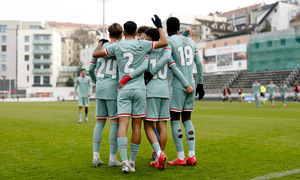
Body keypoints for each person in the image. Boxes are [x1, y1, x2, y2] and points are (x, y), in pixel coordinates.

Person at [93, 15, 168, 174]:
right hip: (139, 89)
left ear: (123, 32)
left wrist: (102, 44)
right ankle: (132, 162)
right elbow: (164, 42)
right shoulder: (142, 44)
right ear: (135, 32)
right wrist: (160, 26)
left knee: (122, 125)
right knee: (136, 127)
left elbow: (96, 55)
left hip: (123, 89)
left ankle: (125, 161)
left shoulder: (118, 46)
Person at [143, 28, 193, 169]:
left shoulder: (147, 51)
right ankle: (162, 154)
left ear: (150, 38)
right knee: (163, 125)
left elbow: (142, 68)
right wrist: (187, 84)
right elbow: (175, 68)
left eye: (146, 37)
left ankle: (159, 154)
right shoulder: (166, 51)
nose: (145, 39)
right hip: (165, 92)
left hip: (151, 91)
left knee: (148, 125)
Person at [162, 17, 204, 166]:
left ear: (167, 28)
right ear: (179, 27)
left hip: (178, 84)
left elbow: (171, 64)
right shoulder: (191, 42)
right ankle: (192, 156)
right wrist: (200, 83)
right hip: (192, 83)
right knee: (187, 119)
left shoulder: (169, 42)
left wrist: (185, 84)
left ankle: (180, 157)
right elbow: (199, 63)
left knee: (174, 119)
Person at [89, 23, 123, 168]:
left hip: (100, 88)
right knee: (114, 123)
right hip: (113, 88)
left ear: (108, 34)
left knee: (99, 123)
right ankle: (112, 159)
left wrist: (97, 81)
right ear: (121, 35)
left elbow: (91, 69)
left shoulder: (99, 48)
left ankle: (95, 158)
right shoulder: (120, 48)